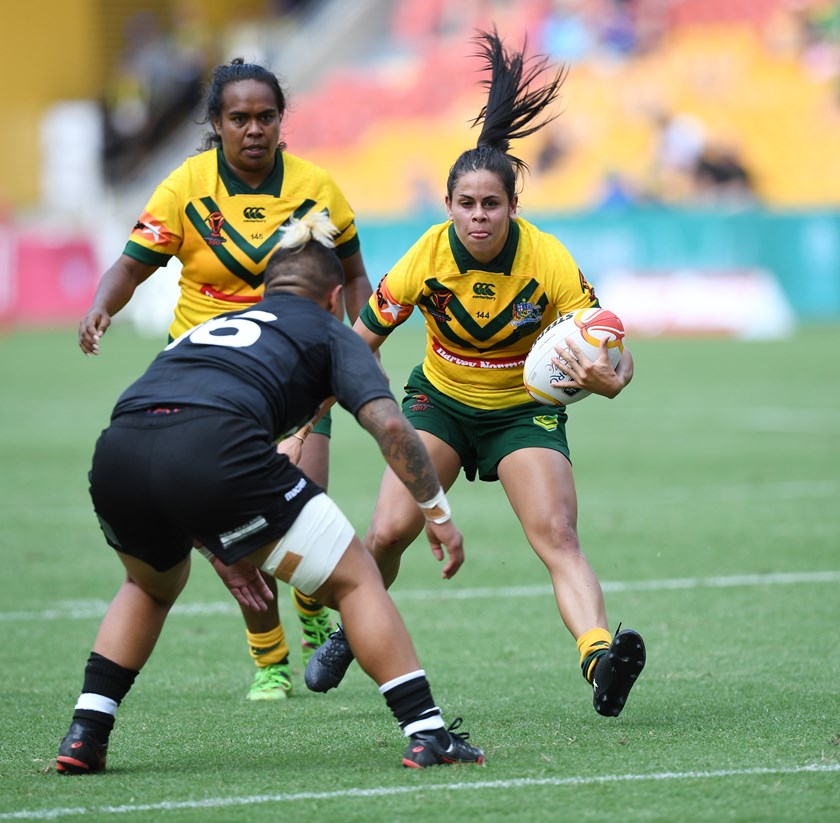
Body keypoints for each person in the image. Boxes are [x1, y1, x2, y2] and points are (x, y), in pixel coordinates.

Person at [56, 214, 485, 774]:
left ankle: (86, 733)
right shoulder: (332, 331)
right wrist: (436, 512)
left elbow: (168, 435)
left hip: (119, 453)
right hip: (214, 451)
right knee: (358, 577)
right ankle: (428, 732)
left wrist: (217, 544)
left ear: (266, 292)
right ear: (334, 297)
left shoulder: (212, 326)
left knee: (149, 584)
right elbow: (392, 427)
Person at [305, 29, 646, 718]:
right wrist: (329, 407)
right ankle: (350, 630)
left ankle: (600, 657)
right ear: (449, 206)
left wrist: (614, 377)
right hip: (441, 406)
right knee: (387, 533)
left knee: (557, 532)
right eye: (467, 205)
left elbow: (611, 344)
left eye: (492, 204)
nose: (479, 216)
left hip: (523, 412)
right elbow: (359, 340)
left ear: (514, 207)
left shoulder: (548, 260)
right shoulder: (423, 259)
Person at [79, 58, 375, 701]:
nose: (253, 129)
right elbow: (130, 268)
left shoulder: (316, 187)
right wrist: (104, 304)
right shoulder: (184, 188)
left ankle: (309, 604)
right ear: (216, 123)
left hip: (295, 374)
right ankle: (269, 660)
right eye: (238, 118)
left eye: (266, 117)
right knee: (236, 533)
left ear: (280, 121)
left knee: (299, 508)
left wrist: (356, 342)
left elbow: (353, 273)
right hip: (203, 386)